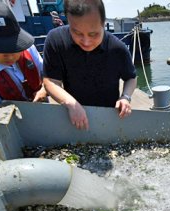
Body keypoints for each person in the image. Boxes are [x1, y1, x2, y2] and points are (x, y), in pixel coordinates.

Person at [42, 0, 137, 130]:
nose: (86, 42)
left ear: (103, 23)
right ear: (68, 21)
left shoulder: (117, 48)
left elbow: (131, 77)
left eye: (93, 34)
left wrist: (125, 97)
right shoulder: (56, 40)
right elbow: (51, 81)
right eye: (77, 33)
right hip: (73, 114)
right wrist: (71, 104)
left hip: (109, 114)